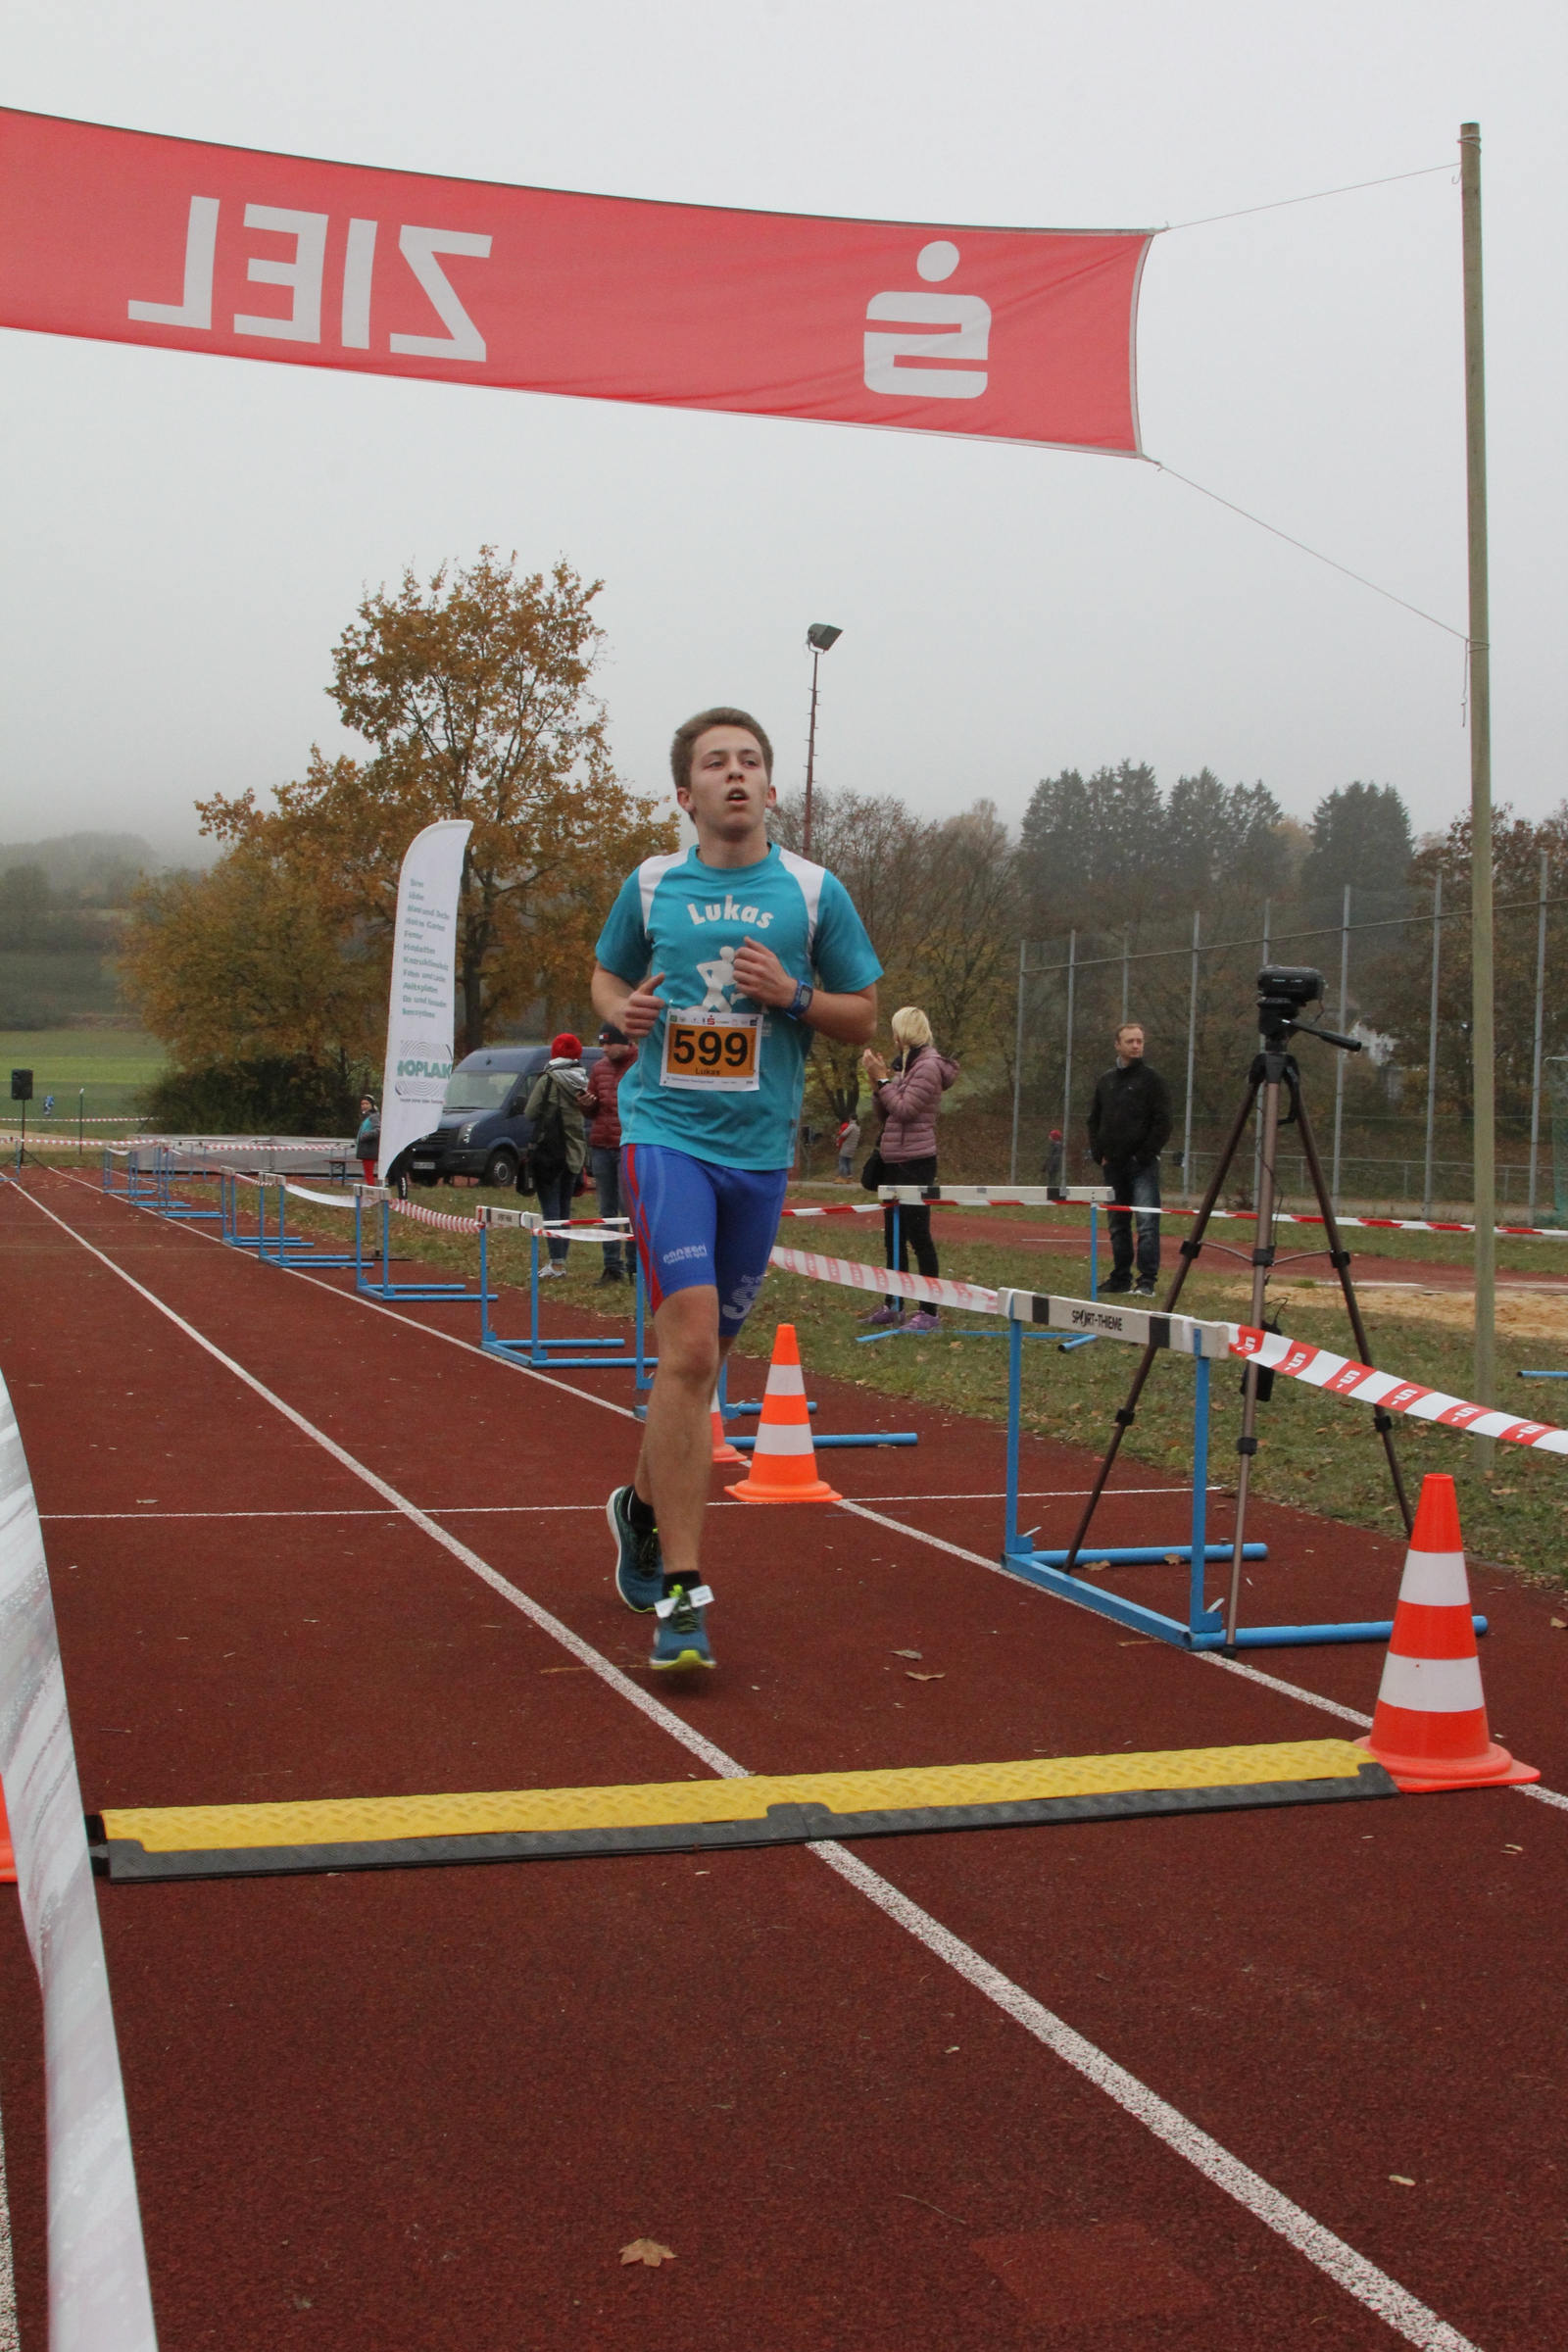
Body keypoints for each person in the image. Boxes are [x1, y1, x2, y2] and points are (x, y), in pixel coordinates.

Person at [592, 706, 881, 1670]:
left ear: (769, 787)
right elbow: (605, 978)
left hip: (758, 1155)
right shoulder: (649, 884)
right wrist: (622, 1013)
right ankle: (684, 1593)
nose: (736, 774)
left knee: (702, 1363)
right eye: (716, 763)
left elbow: (862, 1015)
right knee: (685, 1351)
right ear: (687, 793)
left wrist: (792, 995)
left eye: (750, 761)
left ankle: (640, 1510)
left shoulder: (813, 891)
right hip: (664, 1137)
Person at [858, 1007, 958, 1333]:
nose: (892, 1037)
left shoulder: (927, 1067)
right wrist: (877, 1084)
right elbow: (887, 1114)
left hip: (915, 1162)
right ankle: (894, 1304)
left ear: (904, 1032)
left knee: (919, 1237)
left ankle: (929, 1312)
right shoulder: (908, 1066)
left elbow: (904, 1110)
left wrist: (884, 1080)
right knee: (894, 1238)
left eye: (895, 1030)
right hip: (894, 1160)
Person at [1086, 1021, 1171, 1298]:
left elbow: (1163, 1122)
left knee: (1147, 1224)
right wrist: (1099, 1154)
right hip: (1113, 1166)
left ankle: (1146, 1282)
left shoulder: (1152, 1080)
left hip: (1142, 1167)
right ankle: (1120, 1278)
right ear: (1117, 1045)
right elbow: (1094, 1120)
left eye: (1140, 1041)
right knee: (1117, 1225)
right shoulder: (1106, 1080)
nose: (1136, 1046)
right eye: (1130, 1041)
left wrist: (1143, 1155)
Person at [526, 1034, 589, 1274]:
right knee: (565, 1208)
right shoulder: (583, 1080)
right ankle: (561, 1260)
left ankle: (556, 1263)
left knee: (550, 1208)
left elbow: (531, 1113)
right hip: (575, 1152)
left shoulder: (548, 1079)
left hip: (550, 1152)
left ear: (554, 1053)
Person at [582, 1022, 635, 1284]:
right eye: (601, 1043)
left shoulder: (640, 1065)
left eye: (609, 1043)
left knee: (630, 1208)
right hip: (601, 1144)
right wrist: (585, 1104)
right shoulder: (599, 1068)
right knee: (607, 1209)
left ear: (624, 1042)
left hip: (628, 1145)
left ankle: (635, 1266)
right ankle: (612, 1266)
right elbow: (591, 1109)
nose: (604, 1048)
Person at [355, 1094, 379, 1183]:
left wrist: (365, 1136)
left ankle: (371, 1189)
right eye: (362, 1104)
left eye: (367, 1103)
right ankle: (370, 1188)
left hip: (369, 1149)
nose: (364, 1106)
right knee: (367, 1173)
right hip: (365, 1149)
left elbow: (378, 1130)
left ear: (372, 1105)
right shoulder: (366, 1117)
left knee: (369, 1173)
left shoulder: (374, 1116)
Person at [836, 1112, 861, 1181]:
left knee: (842, 1161)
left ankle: (842, 1177)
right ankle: (849, 1176)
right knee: (848, 1162)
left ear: (850, 1118)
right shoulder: (857, 1128)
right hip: (853, 1147)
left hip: (847, 1146)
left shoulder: (851, 1126)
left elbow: (844, 1134)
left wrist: (839, 1135)